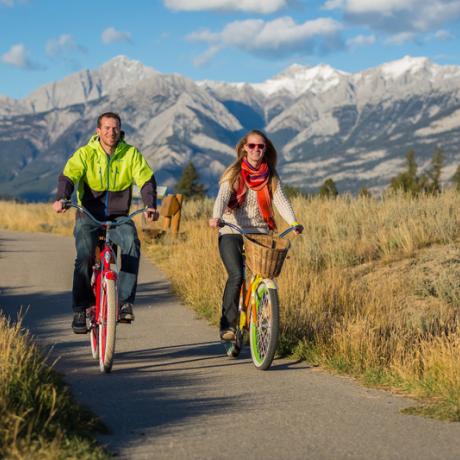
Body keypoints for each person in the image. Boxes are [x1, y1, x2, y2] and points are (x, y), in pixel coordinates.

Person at [52, 112, 159, 333]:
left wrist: (150, 204)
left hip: (119, 216)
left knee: (131, 244)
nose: (112, 132)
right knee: (84, 256)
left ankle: (124, 302)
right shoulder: (85, 154)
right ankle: (81, 308)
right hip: (89, 213)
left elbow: (146, 179)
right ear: (98, 131)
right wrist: (62, 198)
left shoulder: (130, 154)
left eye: (115, 128)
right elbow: (69, 175)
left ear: (120, 130)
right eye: (107, 128)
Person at [209, 129, 303, 341]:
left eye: (260, 146)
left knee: (264, 276)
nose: (256, 150)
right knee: (236, 275)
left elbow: (281, 201)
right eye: (252, 146)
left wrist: (294, 222)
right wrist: (216, 217)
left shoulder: (271, 176)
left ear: (265, 149)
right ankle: (228, 326)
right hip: (232, 228)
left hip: (259, 232)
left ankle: (262, 322)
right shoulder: (234, 173)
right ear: (244, 148)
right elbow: (222, 197)